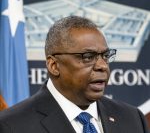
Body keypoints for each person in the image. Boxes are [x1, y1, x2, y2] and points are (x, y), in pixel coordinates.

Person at [0, 16, 149, 133]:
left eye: (105, 56)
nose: (103, 66)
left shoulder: (132, 118)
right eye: (88, 57)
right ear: (54, 65)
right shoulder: (11, 125)